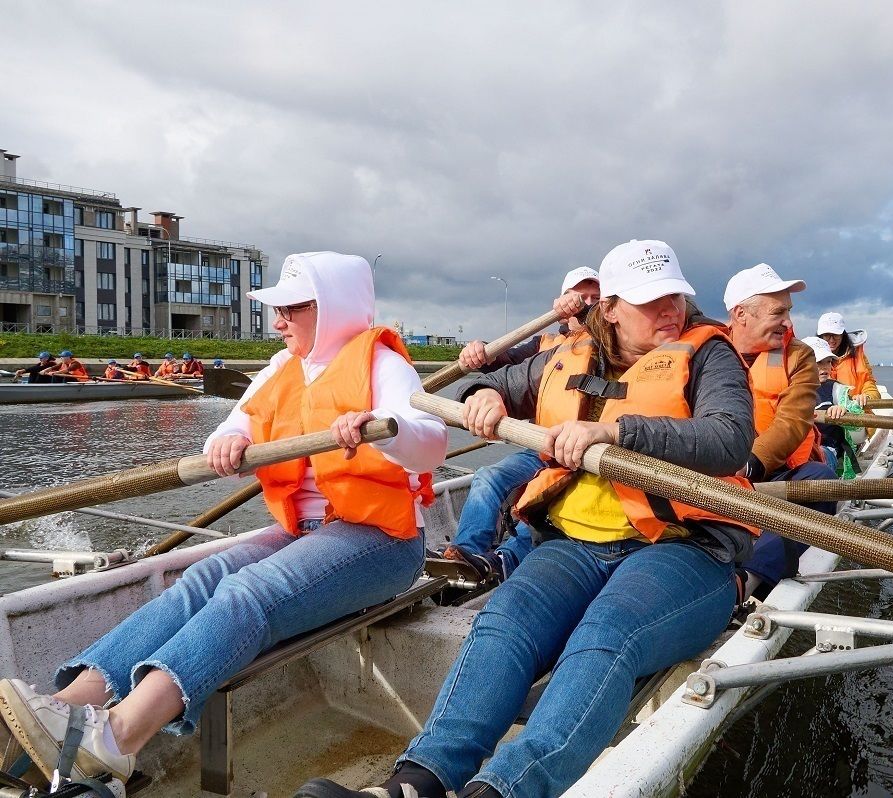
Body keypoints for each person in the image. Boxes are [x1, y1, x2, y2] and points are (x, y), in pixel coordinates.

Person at [296, 239, 758, 798]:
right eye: (650, 300)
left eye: (674, 298)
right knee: (505, 622)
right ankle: (416, 782)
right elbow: (495, 384)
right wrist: (485, 393)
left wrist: (614, 431)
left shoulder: (710, 354)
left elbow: (730, 440)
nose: (670, 311)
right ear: (609, 307)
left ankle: (505, 790)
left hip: (685, 549)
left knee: (606, 635)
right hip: (574, 545)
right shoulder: (570, 354)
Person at [0, 252, 447, 788]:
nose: (278, 321)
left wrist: (386, 428)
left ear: (333, 307)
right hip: (301, 532)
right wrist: (229, 440)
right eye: (277, 310)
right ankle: (67, 709)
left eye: (292, 309)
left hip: (382, 541)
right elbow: (229, 430)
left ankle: (117, 738)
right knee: (200, 580)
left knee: (247, 592)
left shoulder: (382, 364)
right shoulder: (282, 368)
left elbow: (431, 445)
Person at [442, 267, 601, 582]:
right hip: (539, 450)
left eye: (596, 299)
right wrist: (480, 352)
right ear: (560, 306)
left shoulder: (610, 345)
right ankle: (465, 556)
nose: (587, 304)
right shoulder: (546, 344)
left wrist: (584, 313)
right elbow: (501, 363)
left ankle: (503, 561)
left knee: (546, 508)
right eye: (580, 297)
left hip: (584, 459)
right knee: (487, 476)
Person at [723, 264, 837, 600]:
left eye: (789, 311)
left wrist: (748, 464)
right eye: (779, 312)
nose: (788, 321)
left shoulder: (798, 356)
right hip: (712, 473)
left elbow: (794, 420)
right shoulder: (705, 349)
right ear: (741, 314)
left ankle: (747, 580)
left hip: (771, 474)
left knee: (820, 481)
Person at [802, 335, 865, 479]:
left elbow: (858, 426)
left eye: (828, 361)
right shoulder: (790, 389)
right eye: (818, 362)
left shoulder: (836, 390)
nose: (825, 367)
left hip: (827, 450)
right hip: (799, 449)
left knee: (815, 461)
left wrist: (844, 411)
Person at [816, 311, 879, 404]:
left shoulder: (858, 355)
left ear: (843, 334)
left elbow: (868, 382)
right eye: (827, 335)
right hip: (824, 412)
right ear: (820, 336)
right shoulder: (810, 357)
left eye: (835, 334)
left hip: (856, 411)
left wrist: (867, 396)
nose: (831, 340)